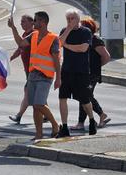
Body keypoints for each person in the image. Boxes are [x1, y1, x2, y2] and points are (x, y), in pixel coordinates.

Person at [8, 12, 61, 140]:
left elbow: (56, 60)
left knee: (39, 104)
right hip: (32, 74)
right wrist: (13, 28)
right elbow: (21, 43)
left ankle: (55, 125)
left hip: (45, 76)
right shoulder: (34, 35)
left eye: (36, 20)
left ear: (42, 22)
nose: (34, 23)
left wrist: (58, 78)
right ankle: (39, 134)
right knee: (35, 107)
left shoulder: (53, 38)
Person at [57, 8, 96, 137]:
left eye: (72, 18)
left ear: (78, 19)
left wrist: (67, 46)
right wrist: (68, 29)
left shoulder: (85, 32)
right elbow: (59, 43)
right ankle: (65, 126)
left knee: (84, 99)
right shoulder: (64, 31)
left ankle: (91, 120)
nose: (70, 21)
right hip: (66, 70)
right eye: (68, 19)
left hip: (81, 71)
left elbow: (83, 48)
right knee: (62, 98)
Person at [70, 17, 111, 131]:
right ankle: (84, 121)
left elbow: (106, 57)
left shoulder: (95, 40)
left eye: (82, 26)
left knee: (85, 96)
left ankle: (97, 116)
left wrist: (96, 67)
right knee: (83, 96)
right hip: (83, 72)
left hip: (91, 74)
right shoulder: (84, 40)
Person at [9, 14, 35, 124]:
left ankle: (19, 116)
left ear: (31, 22)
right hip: (28, 70)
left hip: (34, 70)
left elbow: (20, 43)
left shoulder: (33, 34)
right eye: (21, 21)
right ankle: (45, 115)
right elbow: (20, 49)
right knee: (35, 94)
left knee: (28, 92)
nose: (21, 23)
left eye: (23, 21)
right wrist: (10, 58)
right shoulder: (25, 34)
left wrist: (13, 28)